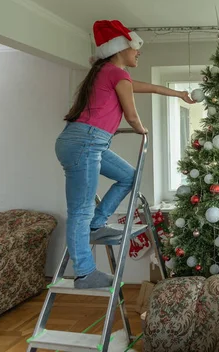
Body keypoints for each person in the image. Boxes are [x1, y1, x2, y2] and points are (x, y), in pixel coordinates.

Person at [55, 20, 195, 289]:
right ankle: (84, 273)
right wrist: (143, 131)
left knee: (130, 176)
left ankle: (98, 224)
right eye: (135, 48)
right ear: (120, 49)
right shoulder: (115, 73)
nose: (138, 52)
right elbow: (131, 115)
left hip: (88, 143)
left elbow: (150, 87)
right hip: (85, 143)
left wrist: (178, 93)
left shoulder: (109, 73)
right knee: (79, 210)